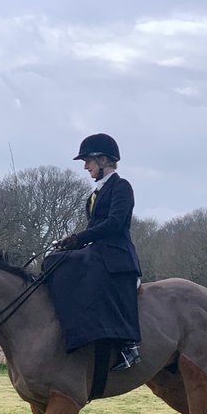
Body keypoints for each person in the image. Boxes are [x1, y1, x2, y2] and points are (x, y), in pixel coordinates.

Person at [47, 133, 142, 369]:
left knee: (85, 273)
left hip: (115, 253)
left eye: (88, 161)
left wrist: (78, 238)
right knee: (53, 262)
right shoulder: (94, 194)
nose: (86, 167)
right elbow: (94, 228)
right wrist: (69, 243)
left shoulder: (121, 187)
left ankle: (129, 346)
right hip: (96, 251)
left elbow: (114, 223)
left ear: (103, 160)